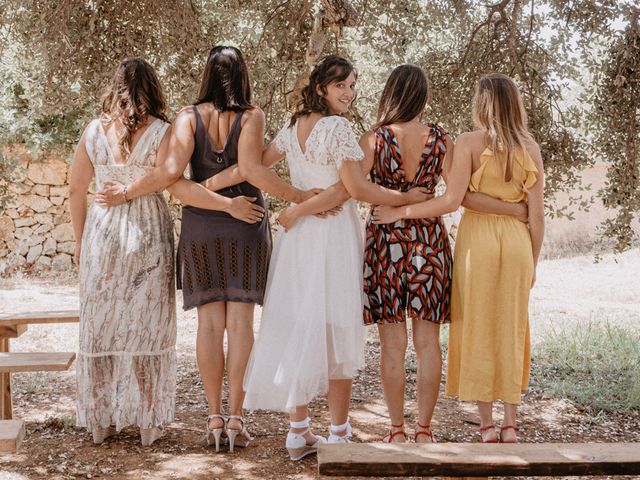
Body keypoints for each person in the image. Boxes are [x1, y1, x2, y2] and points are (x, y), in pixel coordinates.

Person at [241, 55, 431, 461]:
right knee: (335, 329)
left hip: (297, 239)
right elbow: (353, 190)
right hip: (330, 237)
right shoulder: (338, 127)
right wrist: (405, 198)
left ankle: (298, 432)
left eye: (353, 85)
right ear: (322, 88)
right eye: (341, 85)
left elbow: (254, 165)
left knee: (301, 324)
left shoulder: (292, 128)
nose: (349, 93)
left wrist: (292, 202)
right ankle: (339, 433)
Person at [95, 46, 279, 453]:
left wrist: (214, 199)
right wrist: (234, 202)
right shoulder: (252, 116)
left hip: (201, 228)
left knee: (210, 326)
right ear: (243, 75)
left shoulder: (185, 118)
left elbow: (172, 180)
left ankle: (213, 418)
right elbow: (250, 169)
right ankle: (236, 418)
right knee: (243, 326)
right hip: (246, 224)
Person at [372, 72, 544, 444]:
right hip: (473, 245)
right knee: (497, 331)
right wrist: (524, 236)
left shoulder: (458, 141)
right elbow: (532, 213)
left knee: (460, 330)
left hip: (434, 243)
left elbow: (459, 197)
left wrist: (397, 206)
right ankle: (483, 425)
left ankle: (435, 428)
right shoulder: (519, 146)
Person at [70, 57, 176, 446]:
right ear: (154, 88)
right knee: (148, 321)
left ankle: (100, 421)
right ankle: (149, 420)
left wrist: (81, 241)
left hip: (102, 231)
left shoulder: (95, 130)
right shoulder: (164, 131)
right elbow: (170, 176)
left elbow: (75, 187)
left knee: (102, 323)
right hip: (147, 230)